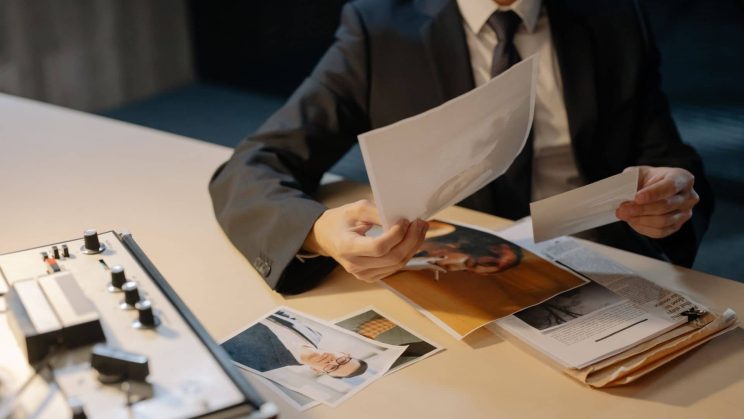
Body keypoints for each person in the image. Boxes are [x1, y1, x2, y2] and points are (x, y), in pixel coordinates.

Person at [209, 0, 713, 294]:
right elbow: (254, 164)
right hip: (449, 275)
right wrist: (318, 232)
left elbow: (669, 155)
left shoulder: (613, 16)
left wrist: (670, 194)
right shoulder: (380, 26)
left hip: (597, 267)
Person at [223, 311, 369, 378]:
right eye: (342, 360)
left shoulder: (262, 365)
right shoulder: (315, 334)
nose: (332, 361)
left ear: (317, 371)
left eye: (332, 367)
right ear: (344, 354)